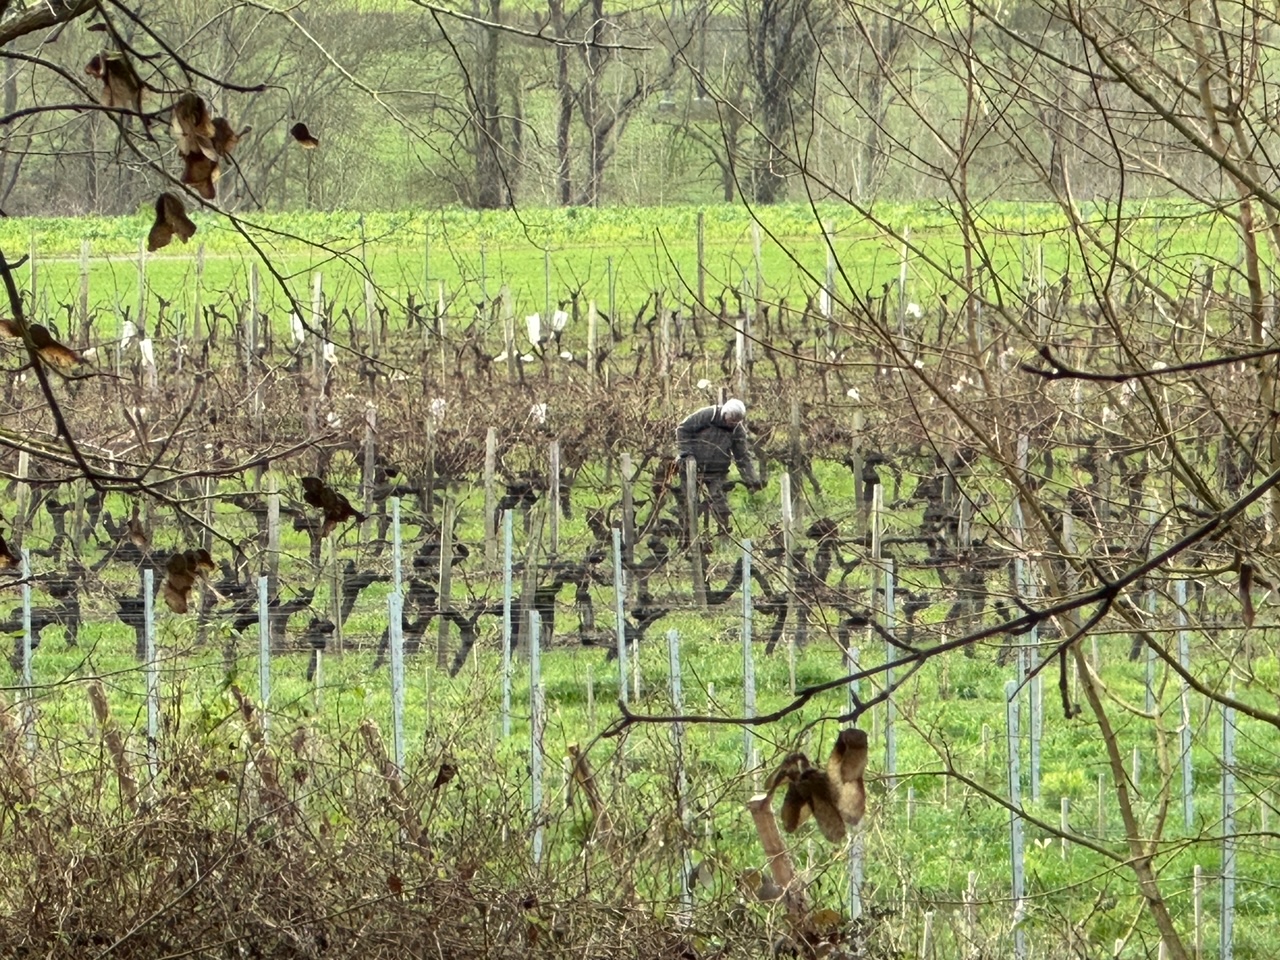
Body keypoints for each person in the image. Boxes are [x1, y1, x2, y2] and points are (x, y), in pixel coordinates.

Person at [675, 397, 762, 535]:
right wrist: (687, 453)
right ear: (724, 413)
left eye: (736, 422)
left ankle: (723, 535)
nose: (732, 424)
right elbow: (682, 429)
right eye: (731, 420)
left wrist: (751, 478)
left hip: (718, 471)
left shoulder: (737, 430)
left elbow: (742, 456)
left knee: (721, 505)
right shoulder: (706, 415)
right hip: (692, 468)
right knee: (689, 504)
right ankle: (687, 537)